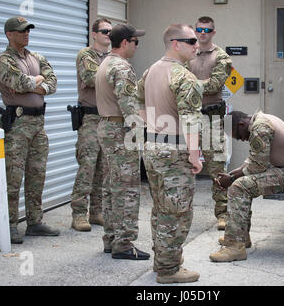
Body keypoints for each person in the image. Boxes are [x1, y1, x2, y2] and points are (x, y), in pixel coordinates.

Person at [139, 23, 203, 283]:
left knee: (161, 208)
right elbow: (190, 120)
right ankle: (168, 270)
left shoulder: (151, 70)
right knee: (178, 211)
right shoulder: (184, 76)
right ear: (175, 44)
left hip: (153, 146)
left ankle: (164, 260)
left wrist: (152, 129)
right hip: (174, 150)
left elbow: (137, 102)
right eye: (191, 41)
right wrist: (194, 154)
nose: (197, 45)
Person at [0, 16, 59, 244]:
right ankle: (10, 225)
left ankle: (35, 222)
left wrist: (36, 83)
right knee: (13, 176)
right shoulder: (3, 60)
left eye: (28, 30)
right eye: (21, 31)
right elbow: (19, 82)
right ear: (9, 34)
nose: (26, 34)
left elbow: (52, 84)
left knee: (37, 174)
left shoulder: (37, 57)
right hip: (18, 127)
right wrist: (35, 82)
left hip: (38, 125)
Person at [209, 110, 284, 262]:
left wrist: (232, 179)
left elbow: (257, 166)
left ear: (241, 124)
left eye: (238, 136)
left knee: (239, 186)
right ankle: (241, 236)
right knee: (242, 183)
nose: (241, 139)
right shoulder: (260, 120)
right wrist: (234, 172)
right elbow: (254, 160)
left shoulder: (260, 127)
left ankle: (235, 246)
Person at [95, 24, 149, 260]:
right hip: (120, 130)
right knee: (127, 187)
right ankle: (124, 243)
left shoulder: (104, 63)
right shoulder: (121, 67)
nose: (137, 46)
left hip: (107, 127)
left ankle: (110, 238)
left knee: (111, 186)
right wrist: (142, 134)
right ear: (125, 42)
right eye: (136, 41)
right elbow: (128, 105)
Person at [188, 16, 232, 230]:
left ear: (214, 32)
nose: (202, 32)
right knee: (183, 163)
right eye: (199, 29)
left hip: (211, 118)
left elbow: (215, 85)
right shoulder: (189, 53)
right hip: (188, 116)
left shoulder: (221, 56)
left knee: (216, 166)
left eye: (207, 29)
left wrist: (188, 85)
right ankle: (181, 211)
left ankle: (223, 213)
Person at [70, 18, 112, 231]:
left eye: (110, 32)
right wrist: (114, 77)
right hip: (90, 118)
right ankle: (78, 213)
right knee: (87, 166)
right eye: (104, 31)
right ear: (94, 34)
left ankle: (97, 211)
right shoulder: (86, 55)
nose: (108, 35)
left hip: (108, 118)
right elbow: (90, 77)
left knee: (103, 168)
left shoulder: (113, 57)